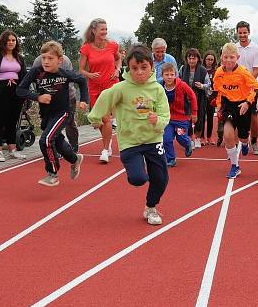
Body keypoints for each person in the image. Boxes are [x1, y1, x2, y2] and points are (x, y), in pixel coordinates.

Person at [88, 45, 170, 225]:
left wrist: (157, 119)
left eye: (144, 68)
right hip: (130, 141)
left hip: (153, 139)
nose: (139, 72)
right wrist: (95, 118)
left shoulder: (158, 89)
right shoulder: (122, 88)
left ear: (151, 67)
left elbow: (165, 115)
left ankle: (151, 207)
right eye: (134, 68)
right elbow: (104, 97)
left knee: (161, 178)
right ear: (128, 68)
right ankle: (139, 170)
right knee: (138, 179)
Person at [17, 41, 89, 187]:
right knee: (57, 140)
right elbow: (20, 90)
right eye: (43, 58)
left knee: (46, 140)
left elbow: (81, 80)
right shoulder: (36, 72)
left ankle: (52, 173)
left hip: (63, 112)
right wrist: (37, 97)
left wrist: (84, 100)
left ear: (59, 60)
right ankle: (75, 159)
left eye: (50, 58)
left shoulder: (64, 74)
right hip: (46, 114)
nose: (46, 61)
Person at [212, 42, 258, 179]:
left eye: (231, 57)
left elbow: (256, 88)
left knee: (243, 136)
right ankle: (235, 166)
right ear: (221, 58)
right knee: (228, 134)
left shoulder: (243, 72)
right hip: (228, 105)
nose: (228, 60)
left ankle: (245, 143)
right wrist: (219, 105)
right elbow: (218, 89)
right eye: (225, 57)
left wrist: (247, 102)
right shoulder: (219, 72)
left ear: (237, 57)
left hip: (243, 105)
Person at [79, 18, 121, 163]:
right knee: (100, 120)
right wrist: (90, 75)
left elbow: (118, 59)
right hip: (95, 86)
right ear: (94, 31)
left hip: (110, 85)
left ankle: (105, 150)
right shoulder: (86, 48)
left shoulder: (113, 45)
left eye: (106, 29)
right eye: (102, 29)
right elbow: (81, 70)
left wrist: (118, 69)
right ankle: (107, 142)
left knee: (105, 118)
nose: (105, 32)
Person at [0, 30, 27, 162]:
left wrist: (24, 92)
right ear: (3, 42)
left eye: (13, 40)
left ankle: (12, 150)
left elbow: (24, 76)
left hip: (16, 92)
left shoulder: (19, 58)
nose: (11, 42)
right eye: (8, 40)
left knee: (13, 121)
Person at [32, 52, 80, 152]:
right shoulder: (38, 61)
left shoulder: (65, 60)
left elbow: (70, 80)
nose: (47, 60)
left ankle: (73, 146)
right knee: (50, 124)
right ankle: (58, 147)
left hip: (67, 97)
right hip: (48, 99)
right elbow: (35, 78)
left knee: (69, 123)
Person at [234, 21, 258, 155]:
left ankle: (253, 141)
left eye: (244, 32)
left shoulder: (256, 49)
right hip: (236, 89)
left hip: (252, 88)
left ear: (249, 32)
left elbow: (257, 69)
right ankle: (235, 144)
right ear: (237, 33)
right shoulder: (234, 48)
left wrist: (247, 82)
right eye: (240, 33)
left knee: (253, 116)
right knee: (236, 116)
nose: (242, 35)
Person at [161, 63, 197, 167]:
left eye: (172, 74)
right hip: (168, 119)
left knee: (181, 136)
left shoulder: (182, 85)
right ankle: (171, 159)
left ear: (175, 75)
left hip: (181, 119)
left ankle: (187, 143)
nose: (169, 77)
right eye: (166, 74)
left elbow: (192, 97)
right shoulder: (160, 86)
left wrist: (194, 113)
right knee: (166, 139)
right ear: (162, 75)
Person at [178, 48, 211, 148]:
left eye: (194, 58)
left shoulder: (202, 70)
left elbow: (209, 84)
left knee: (199, 118)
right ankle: (189, 138)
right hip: (185, 98)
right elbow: (178, 81)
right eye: (190, 58)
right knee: (186, 118)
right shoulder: (183, 69)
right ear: (187, 59)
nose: (191, 60)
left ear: (198, 59)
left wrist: (202, 85)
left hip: (199, 97)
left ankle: (197, 138)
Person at [203, 51, 219, 145]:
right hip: (202, 96)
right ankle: (201, 137)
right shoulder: (201, 69)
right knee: (201, 117)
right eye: (208, 59)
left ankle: (209, 137)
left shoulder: (216, 71)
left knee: (210, 117)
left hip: (211, 97)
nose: (210, 61)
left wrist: (216, 97)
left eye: (212, 60)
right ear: (204, 60)